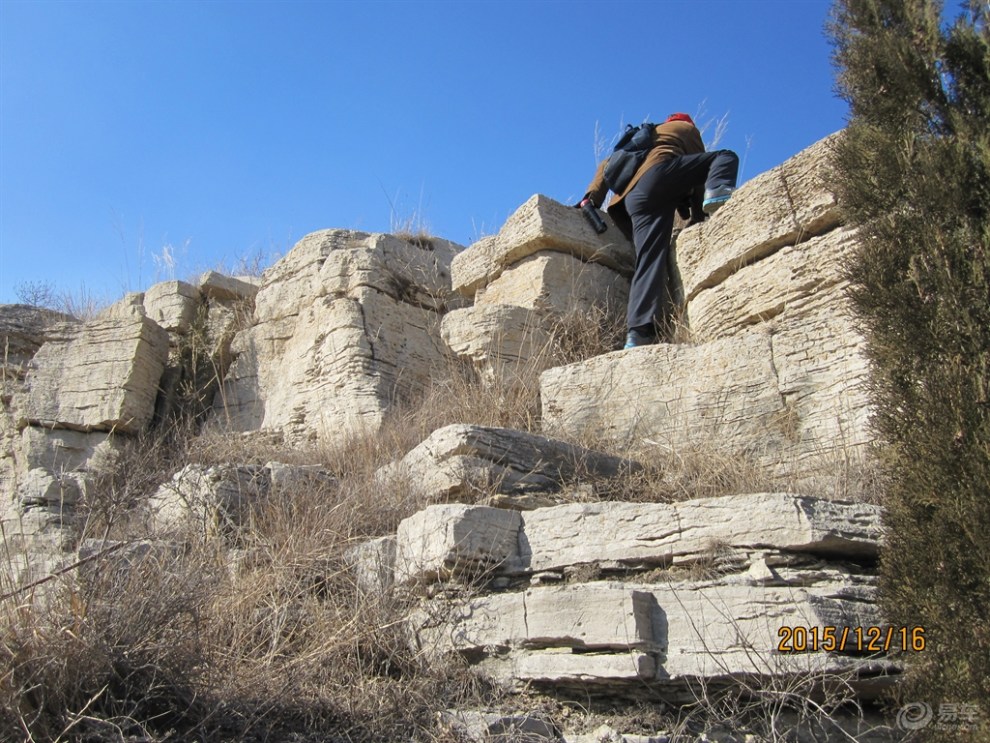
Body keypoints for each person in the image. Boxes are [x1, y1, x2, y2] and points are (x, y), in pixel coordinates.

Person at [579, 113, 739, 349]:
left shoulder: (643, 137)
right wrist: (698, 217)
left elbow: (605, 165)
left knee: (650, 259)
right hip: (659, 178)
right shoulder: (685, 129)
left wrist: (590, 199)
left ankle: (638, 333)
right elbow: (698, 175)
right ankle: (719, 194)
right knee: (725, 157)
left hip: (630, 202)